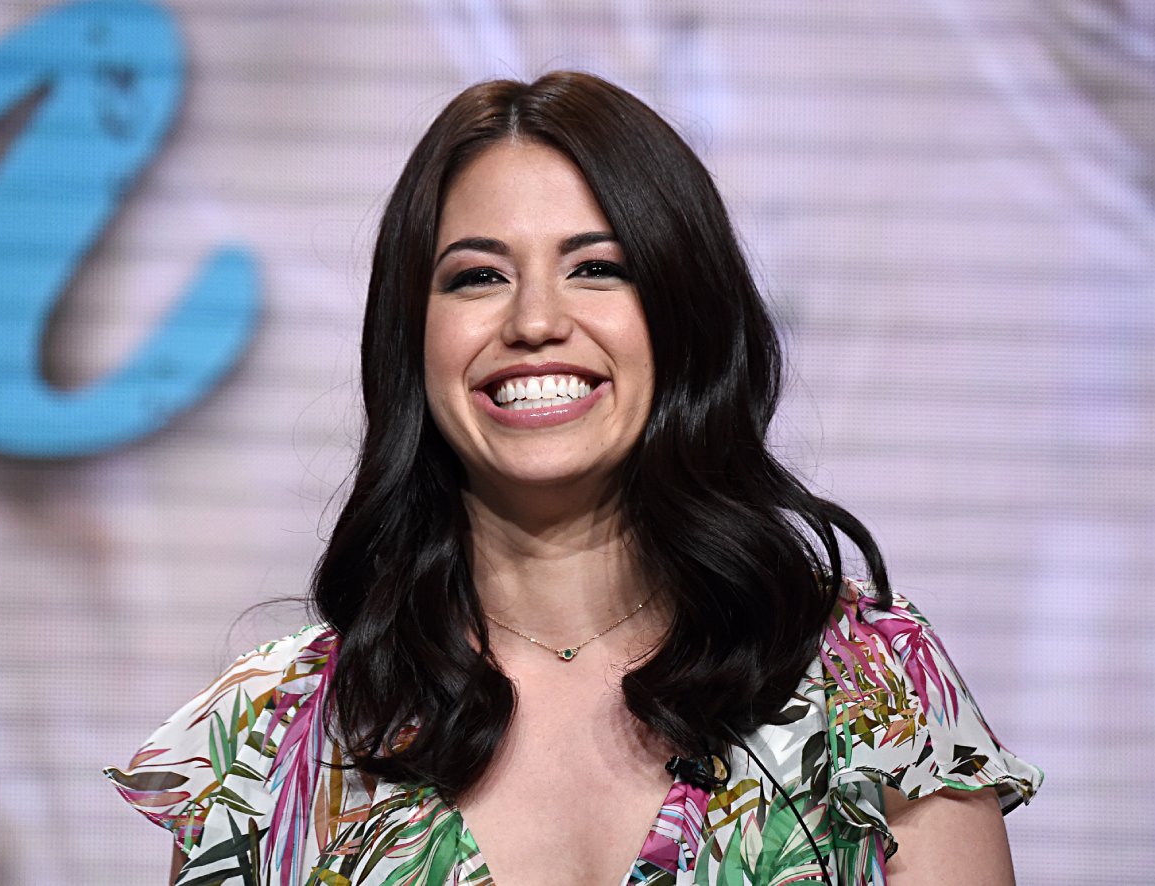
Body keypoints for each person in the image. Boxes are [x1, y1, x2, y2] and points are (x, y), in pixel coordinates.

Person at [105, 71, 1041, 885]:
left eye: (597, 268)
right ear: (411, 340)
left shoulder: (870, 685)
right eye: (477, 278)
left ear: (684, 316)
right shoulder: (266, 736)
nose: (535, 322)